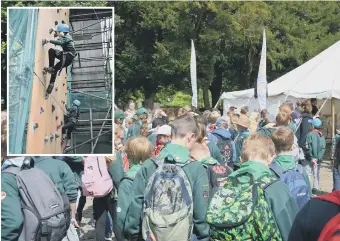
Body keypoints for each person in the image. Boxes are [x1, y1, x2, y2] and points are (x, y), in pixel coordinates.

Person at [124, 115, 210, 241]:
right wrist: (204, 236)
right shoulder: (196, 168)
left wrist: (133, 234)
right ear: (191, 137)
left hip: (151, 234)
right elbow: (200, 212)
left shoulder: (149, 165)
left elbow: (136, 204)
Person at [208, 134, 298, 241]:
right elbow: (292, 230)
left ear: (241, 160)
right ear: (271, 158)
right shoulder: (276, 188)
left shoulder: (224, 185)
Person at [117, 137, 153, 236]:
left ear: (129, 154)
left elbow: (122, 215)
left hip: (137, 232)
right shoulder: (155, 172)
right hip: (154, 230)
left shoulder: (128, 180)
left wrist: (126, 234)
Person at [270, 127, 312, 206]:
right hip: (299, 215)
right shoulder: (300, 169)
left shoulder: (270, 170)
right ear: (293, 146)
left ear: (273, 147)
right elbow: (309, 194)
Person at [43, 23, 77, 94]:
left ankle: (51, 69)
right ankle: (51, 84)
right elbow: (61, 35)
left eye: (58, 32)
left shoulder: (67, 38)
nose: (57, 34)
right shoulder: (66, 36)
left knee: (52, 53)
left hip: (66, 57)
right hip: (67, 59)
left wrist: (49, 40)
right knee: (54, 67)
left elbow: (60, 42)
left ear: (62, 32)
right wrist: (54, 30)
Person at [302, 118, 326, 195]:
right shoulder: (321, 136)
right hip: (318, 160)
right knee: (316, 175)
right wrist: (318, 158)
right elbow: (323, 148)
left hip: (309, 159)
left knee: (308, 174)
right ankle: (316, 189)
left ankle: (308, 190)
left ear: (312, 126)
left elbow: (307, 147)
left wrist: (311, 157)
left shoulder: (309, 135)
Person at [331, 125, 340, 190]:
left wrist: (331, 157)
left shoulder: (336, 137)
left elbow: (333, 148)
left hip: (337, 157)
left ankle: (336, 190)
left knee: (336, 174)